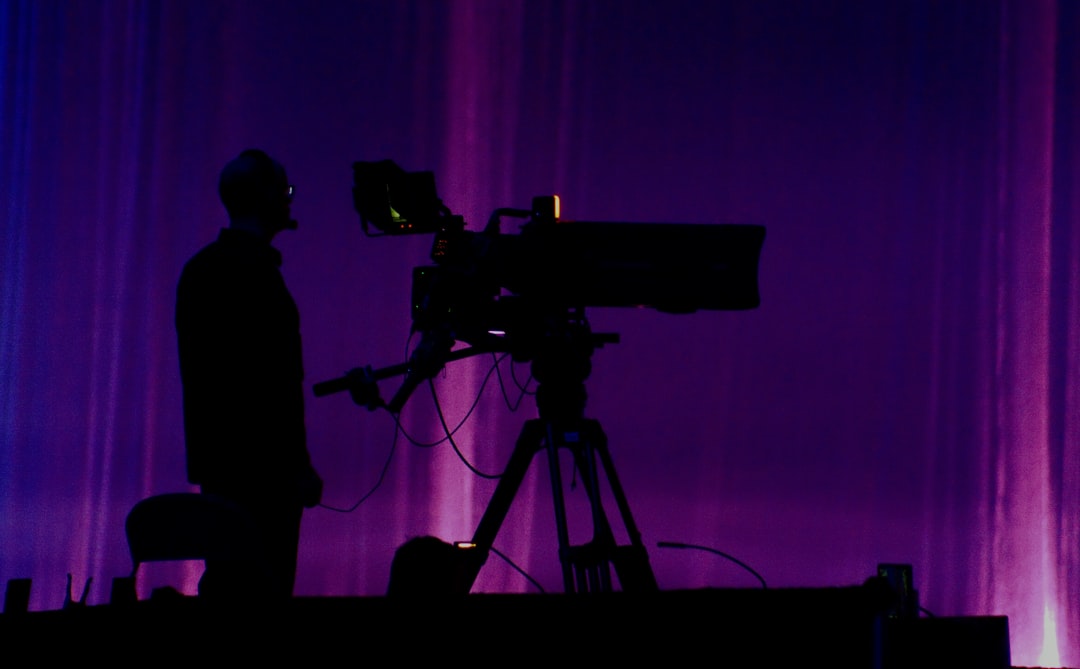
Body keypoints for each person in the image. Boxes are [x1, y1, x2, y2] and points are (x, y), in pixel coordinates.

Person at [175, 148, 323, 600]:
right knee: (265, 586)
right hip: (267, 474)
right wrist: (296, 465)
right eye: (286, 191)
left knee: (227, 581)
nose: (291, 201)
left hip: (220, 466)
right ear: (265, 196)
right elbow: (273, 386)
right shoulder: (258, 276)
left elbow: (207, 381)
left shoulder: (200, 270)